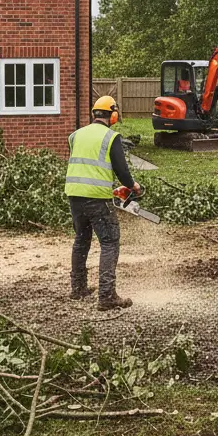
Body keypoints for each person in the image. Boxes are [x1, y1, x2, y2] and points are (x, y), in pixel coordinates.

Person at [65, 95, 142, 308]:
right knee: (109, 242)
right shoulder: (111, 137)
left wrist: (111, 188)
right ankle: (107, 295)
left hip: (74, 194)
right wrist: (132, 186)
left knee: (82, 239)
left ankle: (78, 288)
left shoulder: (75, 135)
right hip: (97, 198)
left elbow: (88, 167)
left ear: (93, 114)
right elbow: (122, 171)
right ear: (113, 115)